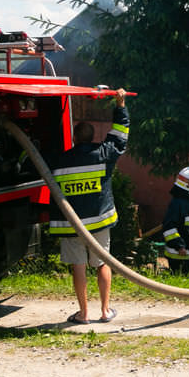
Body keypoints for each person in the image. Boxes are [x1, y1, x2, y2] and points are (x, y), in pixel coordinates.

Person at [49, 88, 128, 325]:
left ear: (74, 138)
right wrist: (120, 106)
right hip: (99, 221)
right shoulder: (103, 153)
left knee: (78, 266)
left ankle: (83, 314)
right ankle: (105, 312)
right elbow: (120, 136)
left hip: (72, 224)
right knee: (102, 262)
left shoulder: (61, 160)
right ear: (94, 137)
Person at [163, 165, 189, 273]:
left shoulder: (187, 202)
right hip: (179, 256)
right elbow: (169, 228)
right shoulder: (178, 204)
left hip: (188, 255)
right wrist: (180, 246)